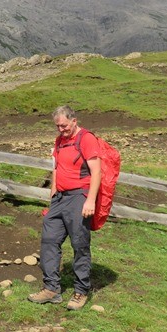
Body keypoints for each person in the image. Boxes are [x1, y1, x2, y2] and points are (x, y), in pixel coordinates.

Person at [28, 105, 101, 311]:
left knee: (79, 244)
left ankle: (81, 290)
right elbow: (56, 166)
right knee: (49, 239)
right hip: (60, 198)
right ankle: (51, 289)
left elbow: (97, 172)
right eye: (58, 126)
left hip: (79, 196)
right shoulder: (60, 140)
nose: (61, 129)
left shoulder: (86, 139)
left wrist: (90, 200)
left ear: (74, 121)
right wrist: (53, 189)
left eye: (64, 125)